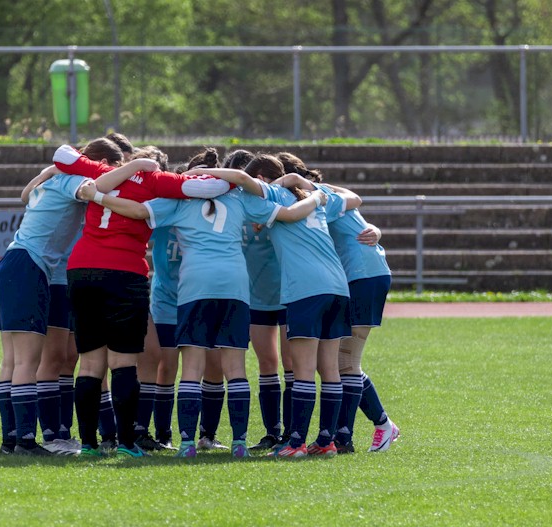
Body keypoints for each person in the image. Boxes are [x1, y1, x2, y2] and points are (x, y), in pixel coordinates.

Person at [81, 152, 329, 459]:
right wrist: (317, 197)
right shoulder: (237, 196)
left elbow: (135, 211)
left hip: (195, 285)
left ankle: (186, 444)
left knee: (192, 368)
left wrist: (98, 197)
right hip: (235, 285)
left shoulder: (180, 200)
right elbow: (286, 213)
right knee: (235, 367)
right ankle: (239, 442)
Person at [52, 142, 232, 458]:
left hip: (82, 269)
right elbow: (217, 186)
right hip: (124, 271)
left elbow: (62, 155)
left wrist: (123, 170)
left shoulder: (102, 170)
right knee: (124, 362)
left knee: (91, 362)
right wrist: (203, 171)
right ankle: (125, 443)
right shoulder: (156, 180)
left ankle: (89, 445)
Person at [186, 155, 361, 458]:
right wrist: (310, 187)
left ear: (262, 180)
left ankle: (295, 444)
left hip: (306, 288)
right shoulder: (316, 197)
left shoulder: (272, 196)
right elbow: (353, 198)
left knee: (304, 370)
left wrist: (203, 172)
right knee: (329, 369)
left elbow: (243, 183)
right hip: (337, 287)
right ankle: (326, 440)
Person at [0, 139, 157, 456]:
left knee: (13, 360)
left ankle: (11, 441)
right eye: (114, 166)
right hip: (29, 266)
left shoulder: (56, 176)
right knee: (27, 360)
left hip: (14, 263)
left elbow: (26, 195)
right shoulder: (72, 180)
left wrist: (51, 169)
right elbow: (94, 187)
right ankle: (25, 442)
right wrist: (134, 167)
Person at [276, 152, 399, 453]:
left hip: (361, 275)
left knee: (345, 361)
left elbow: (352, 201)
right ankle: (344, 435)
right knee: (341, 362)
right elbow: (356, 203)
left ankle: (366, 429)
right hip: (361, 274)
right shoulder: (324, 193)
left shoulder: (314, 198)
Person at [223, 149, 292, 452]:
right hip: (255, 295)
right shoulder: (236, 204)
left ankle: (294, 432)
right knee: (267, 362)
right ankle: (272, 432)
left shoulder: (282, 200)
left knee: (292, 364)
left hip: (290, 292)